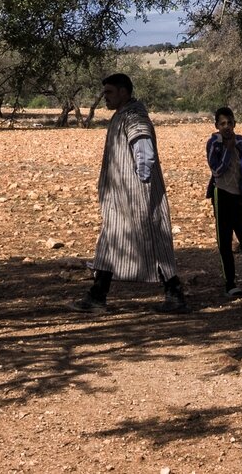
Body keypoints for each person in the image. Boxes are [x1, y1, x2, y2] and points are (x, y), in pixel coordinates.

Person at [73, 72, 184, 313]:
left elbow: (144, 148)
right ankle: (97, 296)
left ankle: (174, 295)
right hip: (120, 197)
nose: (105, 98)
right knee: (110, 242)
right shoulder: (121, 116)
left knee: (155, 242)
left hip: (136, 197)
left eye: (110, 92)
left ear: (124, 92)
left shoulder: (133, 116)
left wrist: (141, 184)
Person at [204, 106, 242, 298]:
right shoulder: (214, 144)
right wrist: (227, 151)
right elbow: (216, 170)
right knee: (225, 242)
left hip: (239, 197)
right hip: (222, 196)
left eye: (229, 123)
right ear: (217, 126)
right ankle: (230, 283)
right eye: (222, 123)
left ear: (235, 123)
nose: (226, 127)